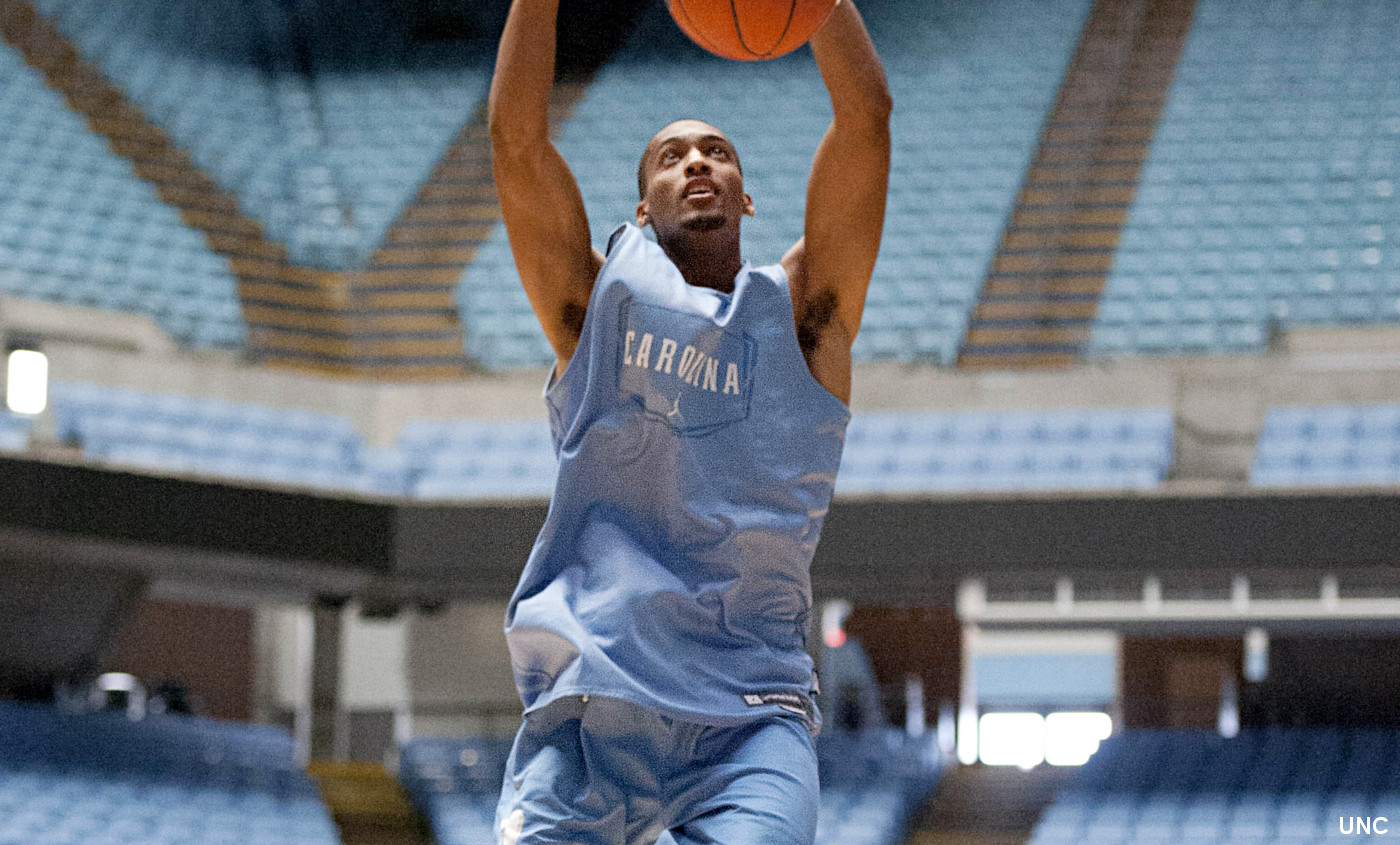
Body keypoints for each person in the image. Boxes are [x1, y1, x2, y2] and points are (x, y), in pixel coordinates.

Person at [487, 0, 889, 841]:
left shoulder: (806, 319)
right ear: (641, 210)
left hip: (748, 717)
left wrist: (819, 7)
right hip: (590, 708)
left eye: (719, 152)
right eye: (672, 157)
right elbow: (517, 145)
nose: (698, 161)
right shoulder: (595, 306)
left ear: (747, 200)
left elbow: (866, 115)